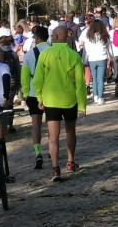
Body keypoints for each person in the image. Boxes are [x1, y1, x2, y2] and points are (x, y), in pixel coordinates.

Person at [33, 25, 86, 182]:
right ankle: (70, 162)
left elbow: (37, 80)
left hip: (51, 100)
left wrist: (39, 98)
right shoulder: (74, 55)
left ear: (55, 37)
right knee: (70, 131)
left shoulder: (45, 54)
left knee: (53, 137)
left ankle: (56, 169)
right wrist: (82, 105)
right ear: (66, 37)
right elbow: (80, 83)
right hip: (70, 99)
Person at [20, 25, 50, 169]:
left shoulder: (30, 54)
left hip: (33, 92)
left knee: (35, 124)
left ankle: (38, 153)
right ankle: (52, 148)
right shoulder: (53, 51)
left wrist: (25, 94)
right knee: (51, 122)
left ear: (37, 38)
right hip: (51, 91)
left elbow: (24, 76)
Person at [78, 19, 112, 105]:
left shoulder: (88, 35)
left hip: (92, 59)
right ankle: (100, 97)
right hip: (102, 58)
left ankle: (95, 96)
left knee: (94, 78)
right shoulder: (104, 36)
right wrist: (110, 58)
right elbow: (109, 48)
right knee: (100, 78)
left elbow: (80, 43)